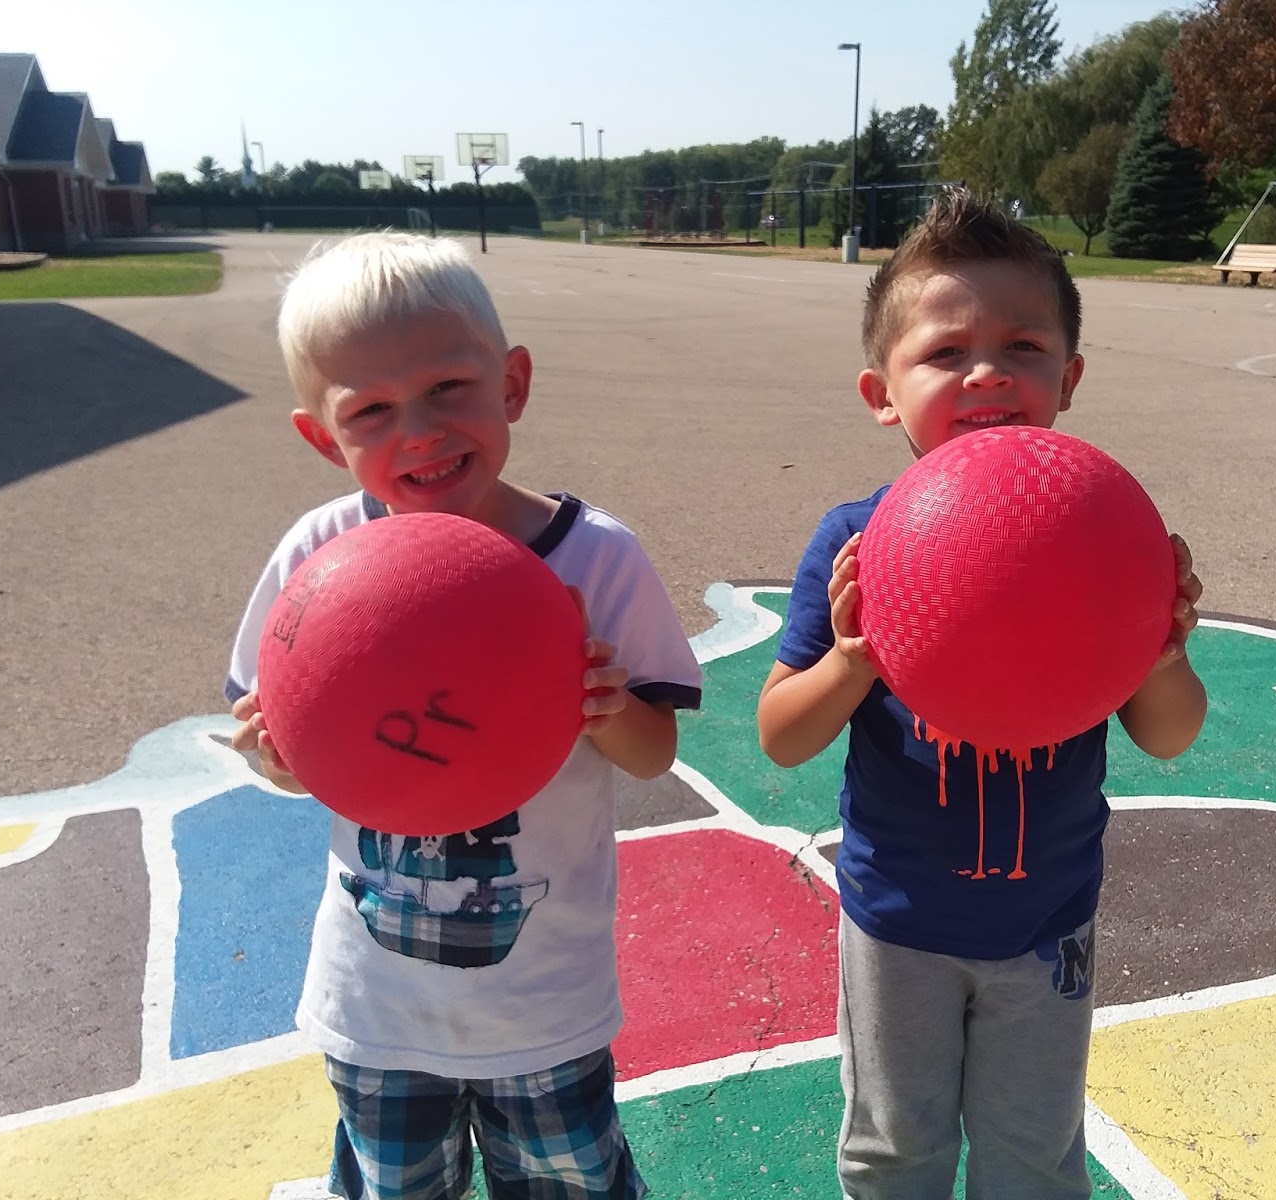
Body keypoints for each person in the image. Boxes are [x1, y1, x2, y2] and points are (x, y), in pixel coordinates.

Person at [225, 232, 702, 1200]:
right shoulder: (321, 555)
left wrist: (603, 705)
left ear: (511, 384)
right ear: (322, 437)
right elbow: (278, 735)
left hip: (543, 1004)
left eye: (449, 387)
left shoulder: (595, 558)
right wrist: (276, 754)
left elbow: (655, 752)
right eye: (370, 410)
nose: (420, 432)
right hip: (377, 1004)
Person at [757, 187, 1208, 1200]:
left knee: (1033, 1157)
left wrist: (1161, 653)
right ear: (882, 392)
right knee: (894, 1151)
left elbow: (1170, 735)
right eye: (946, 352)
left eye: (1022, 347)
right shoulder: (856, 542)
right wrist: (853, 659)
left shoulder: (1097, 534)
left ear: (1069, 376)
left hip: (1047, 924)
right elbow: (781, 735)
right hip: (897, 925)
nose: (987, 372)